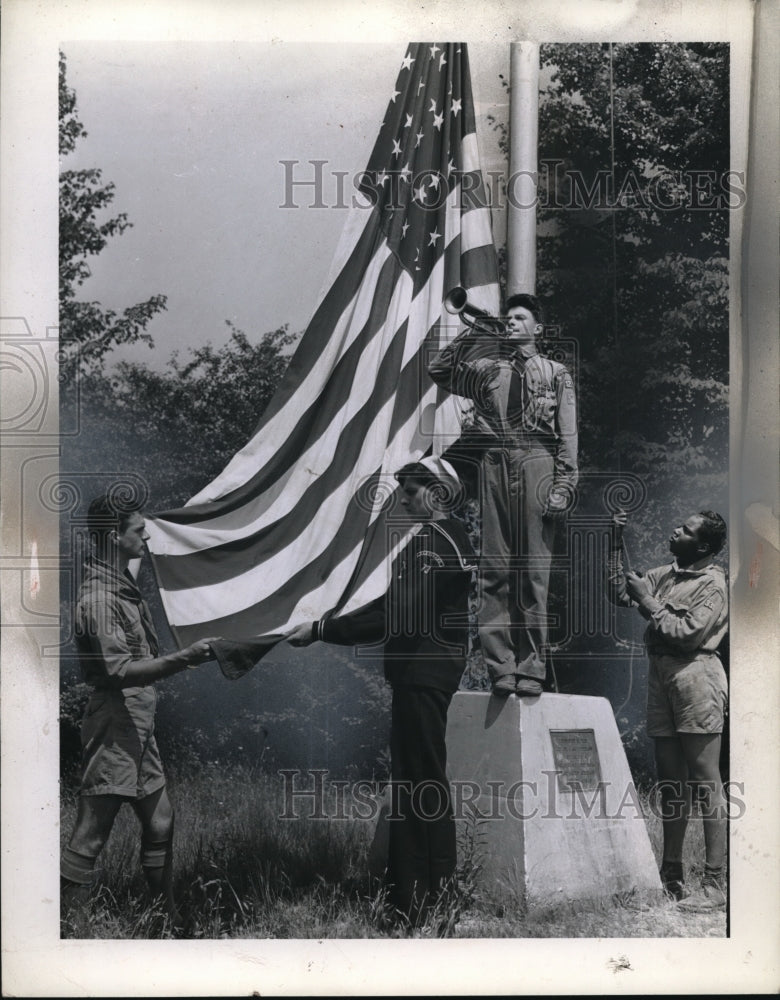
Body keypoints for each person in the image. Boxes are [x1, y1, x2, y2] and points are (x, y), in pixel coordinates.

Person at [287, 457, 475, 925]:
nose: (404, 498)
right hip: (423, 672)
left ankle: (422, 903)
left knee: (419, 781)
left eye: (412, 489)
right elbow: (393, 604)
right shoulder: (441, 538)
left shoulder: (438, 539)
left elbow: (397, 613)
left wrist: (322, 629)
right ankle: (428, 898)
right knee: (418, 780)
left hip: (423, 672)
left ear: (439, 492)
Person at [61, 493, 220, 928]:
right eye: (137, 529)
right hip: (115, 721)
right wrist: (184, 658)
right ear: (115, 536)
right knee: (93, 831)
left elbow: (125, 564)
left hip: (138, 721)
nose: (146, 534)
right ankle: (72, 931)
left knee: (161, 819)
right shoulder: (98, 599)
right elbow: (117, 670)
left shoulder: (118, 585)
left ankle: (164, 917)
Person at [428, 293, 577, 696]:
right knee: (494, 571)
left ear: (537, 328)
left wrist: (564, 486)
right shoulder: (489, 369)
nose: (510, 323)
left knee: (533, 573)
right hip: (495, 461)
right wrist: (473, 330)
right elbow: (439, 371)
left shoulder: (556, 373)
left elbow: (568, 436)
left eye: (519, 318)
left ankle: (532, 667)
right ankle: (500, 668)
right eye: (508, 318)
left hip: (538, 460)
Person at [606, 509, 729, 911]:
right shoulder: (668, 574)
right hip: (661, 677)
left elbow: (686, 634)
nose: (675, 530)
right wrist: (614, 539)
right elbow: (618, 592)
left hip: (696, 677)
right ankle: (671, 875)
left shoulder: (712, 585)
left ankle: (715, 884)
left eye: (686, 530)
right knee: (671, 783)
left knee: (705, 780)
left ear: (704, 546)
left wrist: (647, 600)